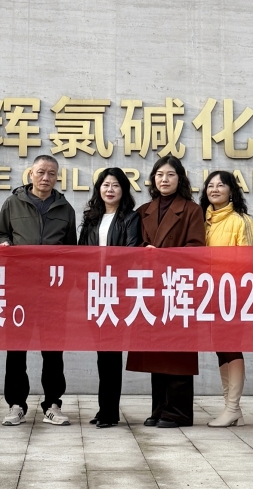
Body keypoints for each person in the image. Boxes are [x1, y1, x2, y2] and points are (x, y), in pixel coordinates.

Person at [0, 155, 78, 427]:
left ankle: (52, 404)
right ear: (30, 173)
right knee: (16, 349)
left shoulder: (65, 208)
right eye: (41, 172)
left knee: (53, 350)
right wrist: (5, 244)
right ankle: (16, 405)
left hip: (53, 291)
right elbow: (1, 233)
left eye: (51, 173)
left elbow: (72, 250)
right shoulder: (12, 203)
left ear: (57, 177)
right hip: (19, 289)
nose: (46, 178)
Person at [128, 156, 206, 428]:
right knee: (156, 351)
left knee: (178, 352)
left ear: (180, 178)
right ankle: (160, 408)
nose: (164, 179)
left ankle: (179, 412)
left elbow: (196, 249)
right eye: (159, 174)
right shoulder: (143, 210)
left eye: (170, 174)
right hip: (151, 289)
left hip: (179, 287)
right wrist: (144, 252)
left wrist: (162, 255)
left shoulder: (192, 210)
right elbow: (133, 246)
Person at [77, 167, 141, 429]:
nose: (110, 190)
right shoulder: (91, 218)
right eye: (105, 185)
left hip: (116, 291)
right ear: (99, 189)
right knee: (101, 352)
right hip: (94, 290)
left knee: (111, 352)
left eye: (115, 185)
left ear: (123, 189)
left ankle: (110, 411)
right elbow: (81, 253)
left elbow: (132, 252)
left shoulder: (131, 217)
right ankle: (105, 407)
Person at [201, 170, 253, 428]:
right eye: (210, 186)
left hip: (233, 293)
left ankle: (233, 407)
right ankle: (231, 408)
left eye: (221, 185)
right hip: (209, 294)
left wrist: (241, 294)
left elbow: (250, 261)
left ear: (231, 191)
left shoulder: (240, 220)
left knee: (231, 346)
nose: (214, 189)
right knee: (220, 347)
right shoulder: (204, 220)